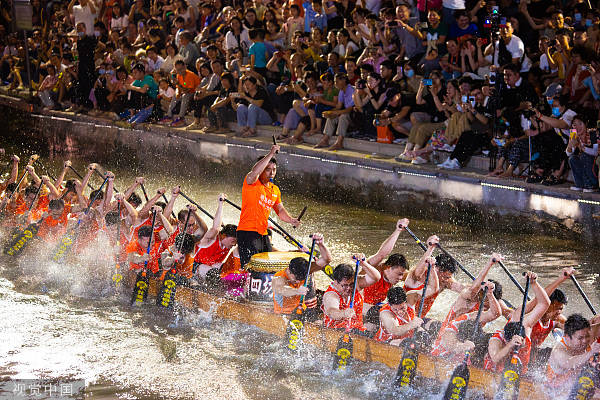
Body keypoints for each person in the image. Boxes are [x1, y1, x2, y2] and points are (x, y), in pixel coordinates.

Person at [236, 145, 300, 267]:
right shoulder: (252, 182)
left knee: (267, 266)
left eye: (274, 169)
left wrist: (291, 220)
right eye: (267, 169)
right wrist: (271, 154)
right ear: (261, 170)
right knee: (251, 267)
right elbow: (254, 171)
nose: (271, 173)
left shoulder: (275, 190)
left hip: (263, 233)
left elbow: (280, 210)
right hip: (247, 231)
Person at [484, 271, 551, 374]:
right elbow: (495, 358)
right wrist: (510, 345)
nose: (521, 344)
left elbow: (544, 303)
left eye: (521, 342)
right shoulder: (497, 339)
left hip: (519, 373)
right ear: (506, 339)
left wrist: (534, 283)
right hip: (494, 372)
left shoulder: (526, 326)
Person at [430, 280, 501, 361]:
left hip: (464, 356)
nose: (486, 308)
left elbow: (495, 314)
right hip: (440, 355)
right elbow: (448, 344)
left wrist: (490, 293)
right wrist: (462, 346)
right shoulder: (456, 324)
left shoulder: (475, 315)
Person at [271, 232, 331, 314]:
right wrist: (297, 291)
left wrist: (321, 244)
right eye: (296, 279)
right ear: (289, 270)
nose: (298, 282)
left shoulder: (305, 270)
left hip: (302, 311)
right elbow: (282, 290)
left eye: (301, 279)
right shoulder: (278, 277)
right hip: (284, 314)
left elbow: (326, 260)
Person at [321, 255, 381, 333]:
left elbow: (376, 277)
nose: (349, 288)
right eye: (345, 285)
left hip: (357, 329)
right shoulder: (331, 295)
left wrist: (363, 263)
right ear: (335, 282)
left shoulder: (355, 283)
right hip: (337, 332)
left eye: (351, 284)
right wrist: (344, 313)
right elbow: (332, 312)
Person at [546, 314, 600, 398]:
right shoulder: (559, 350)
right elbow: (569, 363)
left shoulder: (584, 334)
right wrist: (591, 351)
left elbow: (597, 328)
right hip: (557, 392)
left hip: (580, 386)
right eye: (580, 338)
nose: (585, 341)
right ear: (568, 337)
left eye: (587, 337)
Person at [193, 194, 238, 279]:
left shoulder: (227, 246)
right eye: (233, 241)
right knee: (213, 272)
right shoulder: (211, 239)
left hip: (212, 270)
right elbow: (216, 227)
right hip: (196, 268)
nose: (234, 244)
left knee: (228, 270)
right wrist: (221, 204)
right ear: (224, 236)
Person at [566, 115, 598, 192]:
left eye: (580, 124)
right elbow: (568, 153)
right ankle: (580, 184)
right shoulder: (574, 134)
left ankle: (592, 185)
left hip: (595, 166)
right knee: (572, 159)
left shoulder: (593, 133)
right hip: (585, 162)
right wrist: (570, 145)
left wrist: (581, 146)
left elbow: (596, 152)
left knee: (584, 156)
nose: (577, 127)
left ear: (586, 124)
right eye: (574, 125)